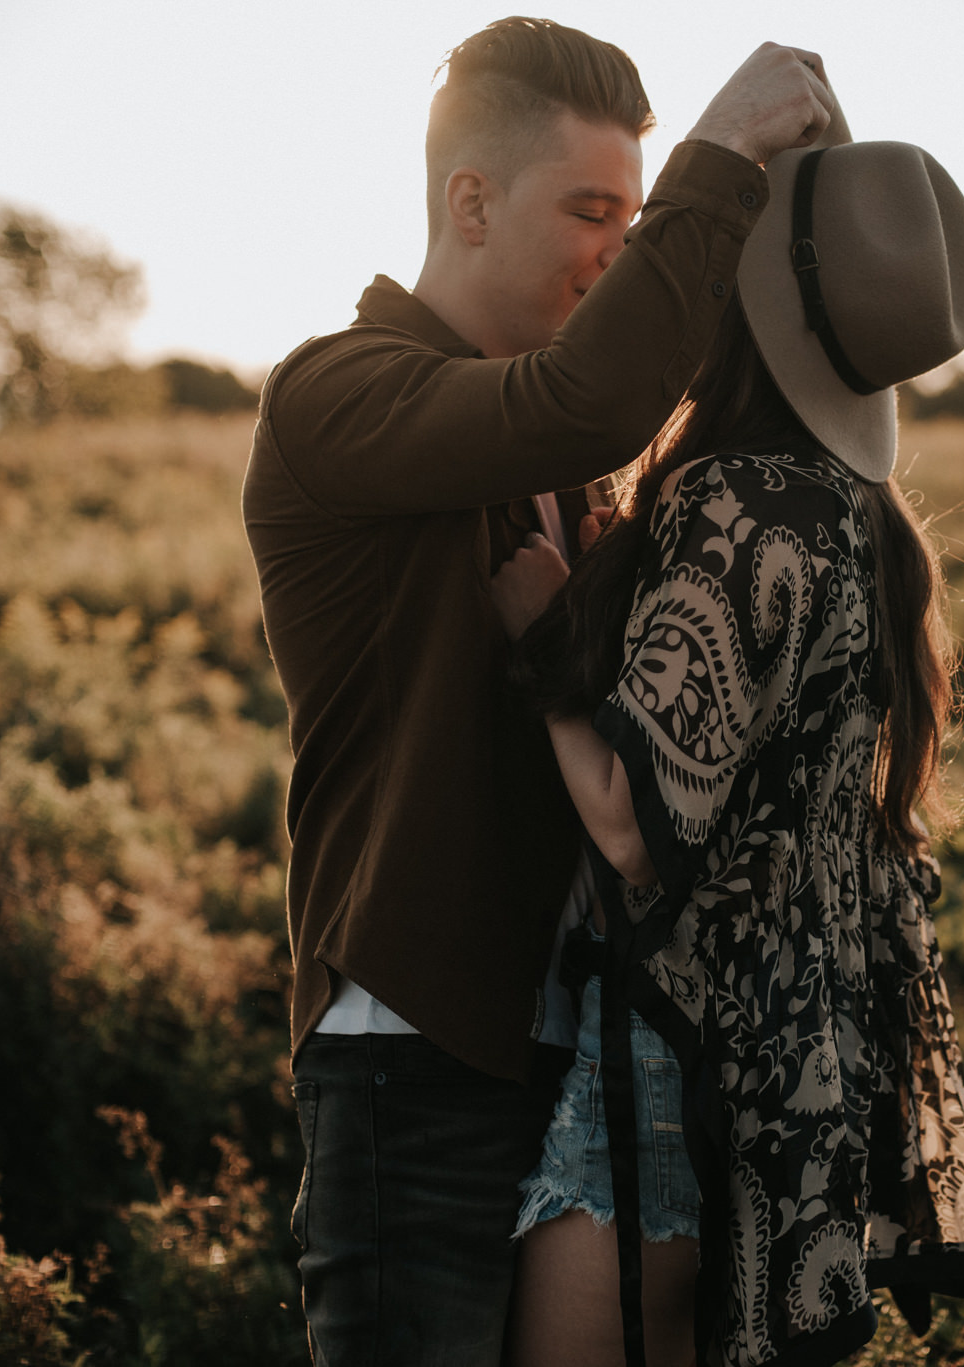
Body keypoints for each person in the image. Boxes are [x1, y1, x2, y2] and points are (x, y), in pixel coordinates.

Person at [241, 17, 841, 1363]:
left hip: (585, 1054)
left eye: (637, 213)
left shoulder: (564, 450)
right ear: (470, 200)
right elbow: (592, 397)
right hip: (416, 1046)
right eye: (591, 207)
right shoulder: (337, 394)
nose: (617, 247)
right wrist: (719, 154)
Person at [489, 132, 964, 1367]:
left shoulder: (737, 501)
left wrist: (543, 637)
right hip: (799, 1075)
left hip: (673, 1063)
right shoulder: (854, 512)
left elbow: (631, 822)